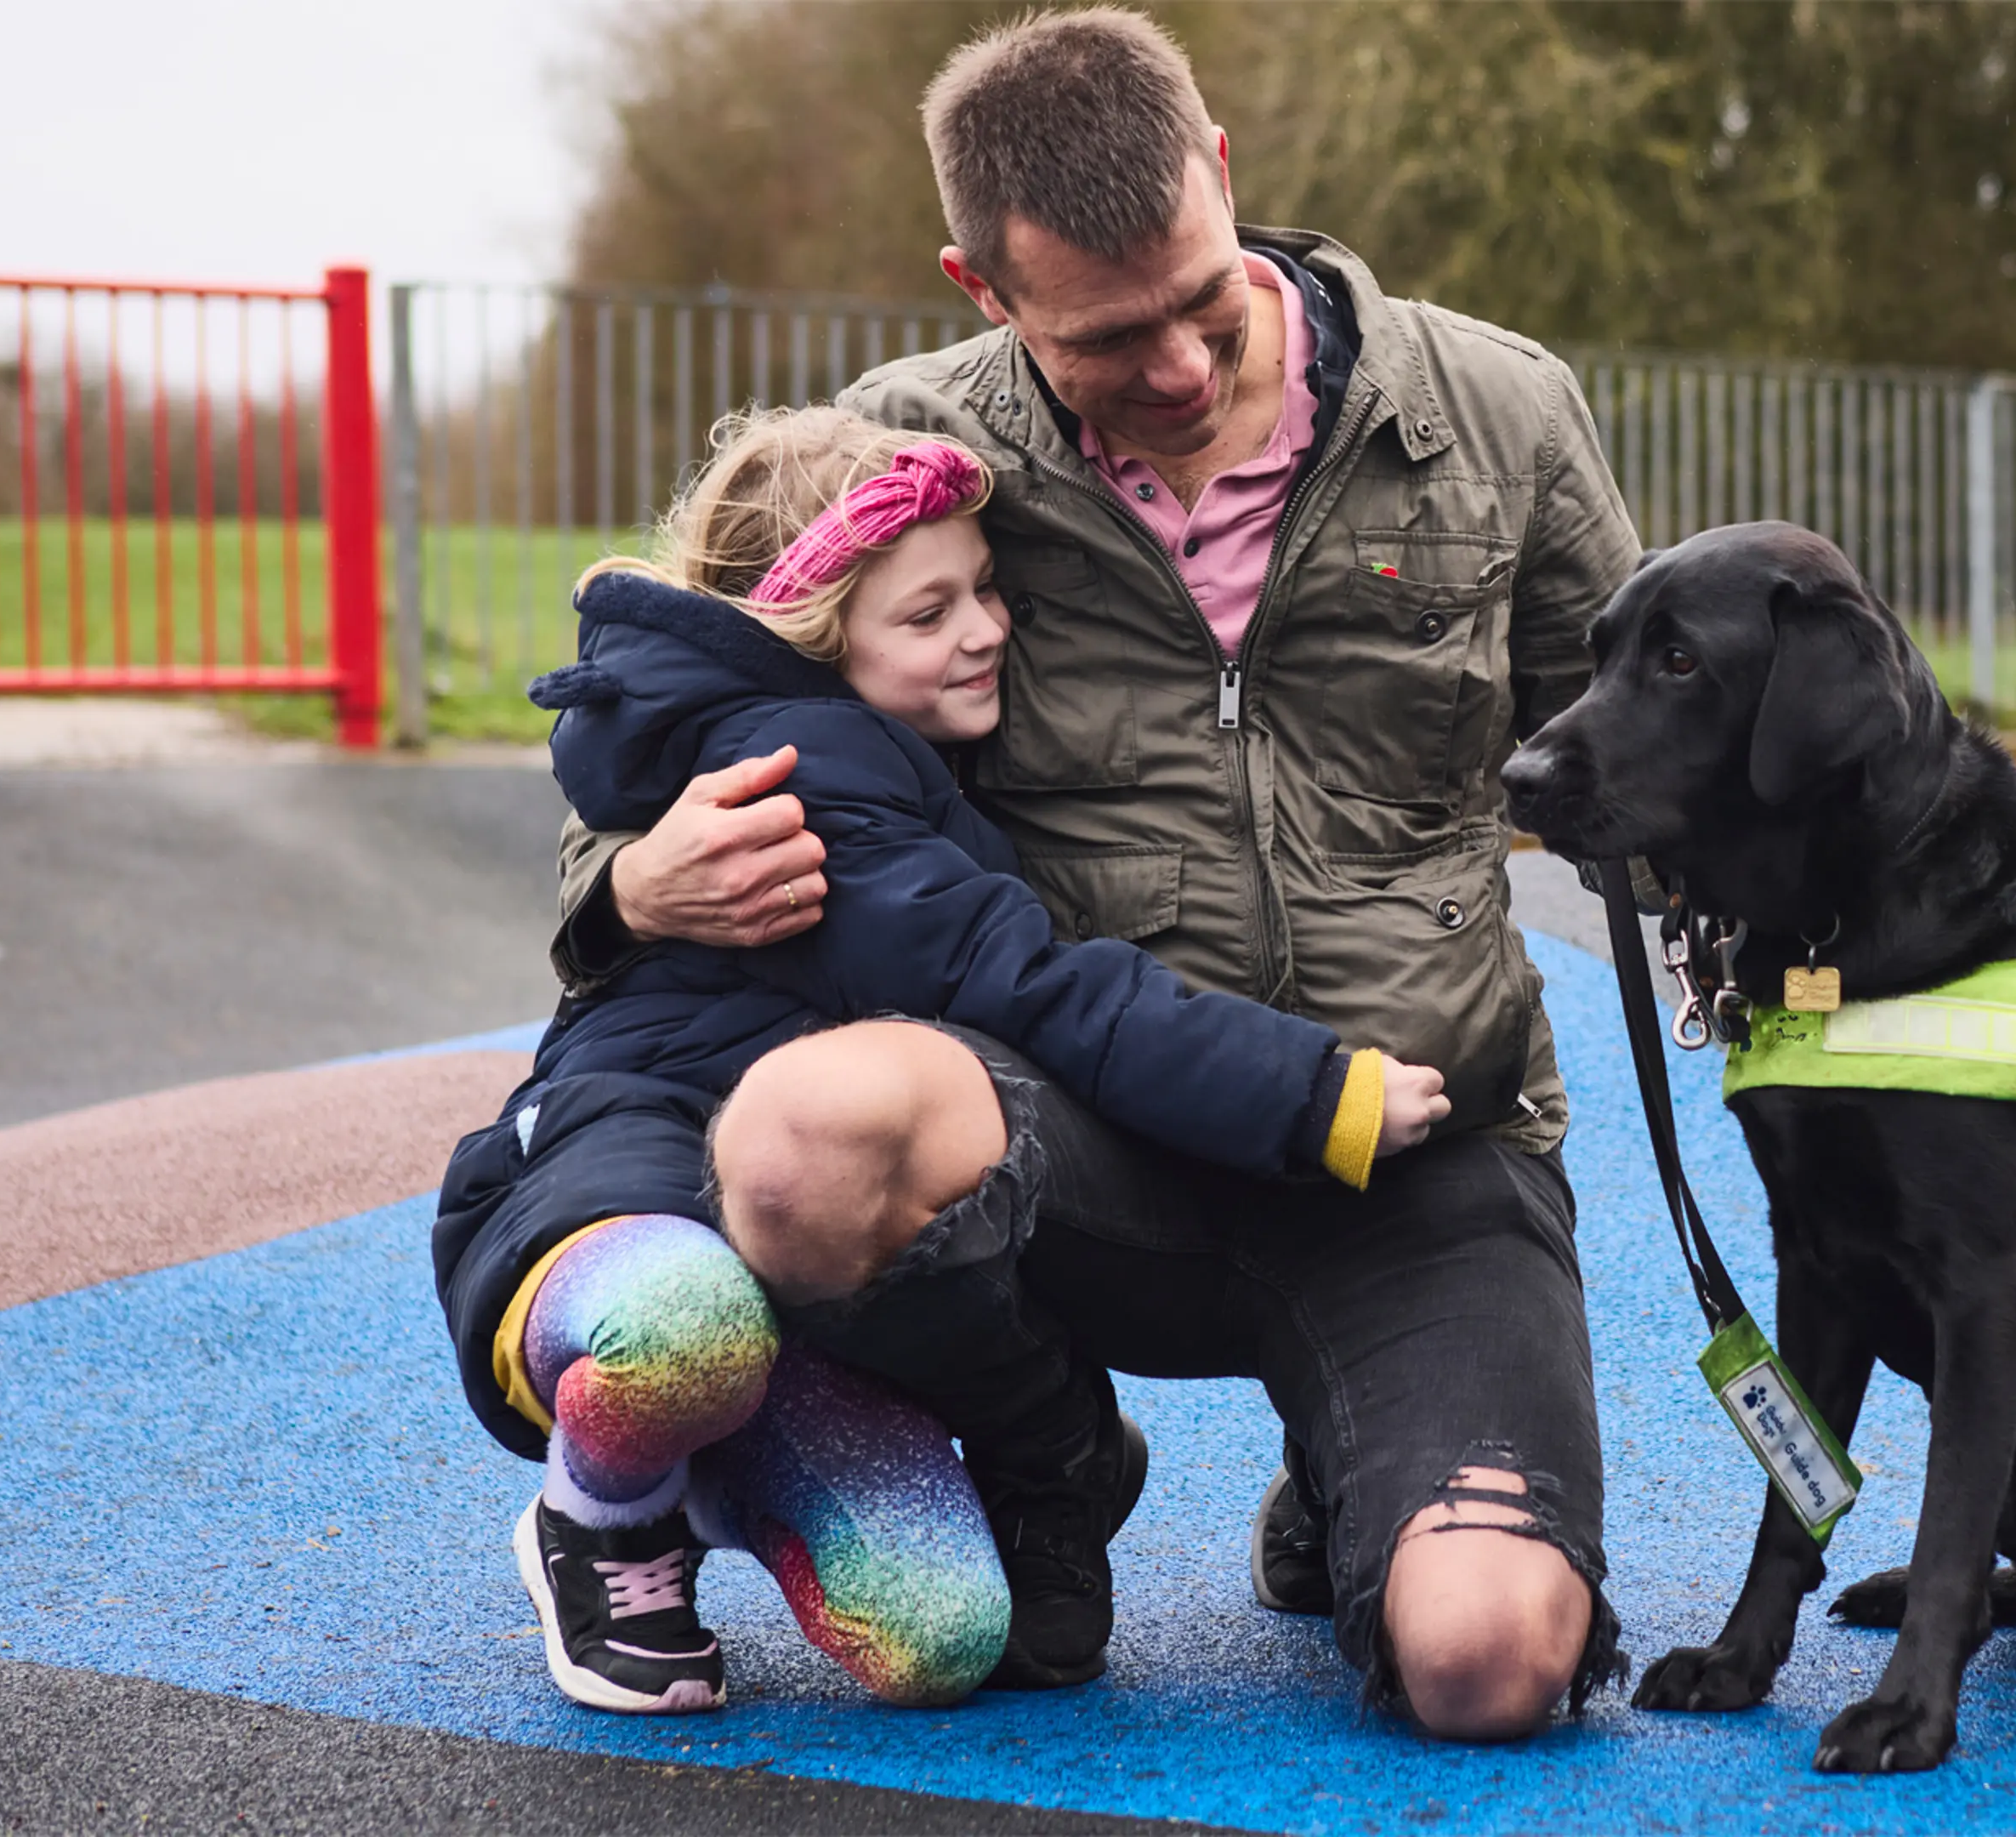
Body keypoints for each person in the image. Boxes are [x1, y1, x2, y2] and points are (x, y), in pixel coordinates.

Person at [552, 9, 1643, 1739]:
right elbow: (678, 718)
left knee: (1487, 1666)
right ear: (981, 288)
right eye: (1107, 340)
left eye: (1204, 304)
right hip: (1083, 1151)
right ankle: (1055, 1451)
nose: (1185, 374)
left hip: (1417, 1146)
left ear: (1222, 176)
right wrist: (627, 885)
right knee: (801, 1138)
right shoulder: (902, 465)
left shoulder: (1497, 411)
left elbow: (1660, 750)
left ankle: (1352, 1465)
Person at [434, 406, 1452, 1716]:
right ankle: (605, 1514)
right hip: (632, 1181)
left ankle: (718, 1463)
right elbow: (1032, 985)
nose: (983, 629)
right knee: (688, 1327)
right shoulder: (818, 771)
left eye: (986, 590)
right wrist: (1314, 1092)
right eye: (928, 614)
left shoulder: (868, 743)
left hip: (779, 1267)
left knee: (941, 1643)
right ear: (817, 635)